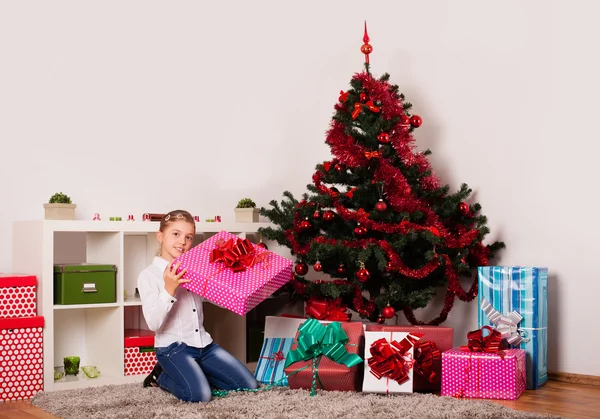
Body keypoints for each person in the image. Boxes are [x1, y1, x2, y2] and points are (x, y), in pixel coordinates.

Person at [137, 209, 258, 402]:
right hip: (172, 348)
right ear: (160, 236)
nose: (182, 242)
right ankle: (160, 376)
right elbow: (153, 324)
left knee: (249, 386)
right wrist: (169, 290)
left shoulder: (195, 270)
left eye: (188, 237)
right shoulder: (148, 276)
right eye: (175, 234)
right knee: (200, 395)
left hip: (204, 345)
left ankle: (197, 372)